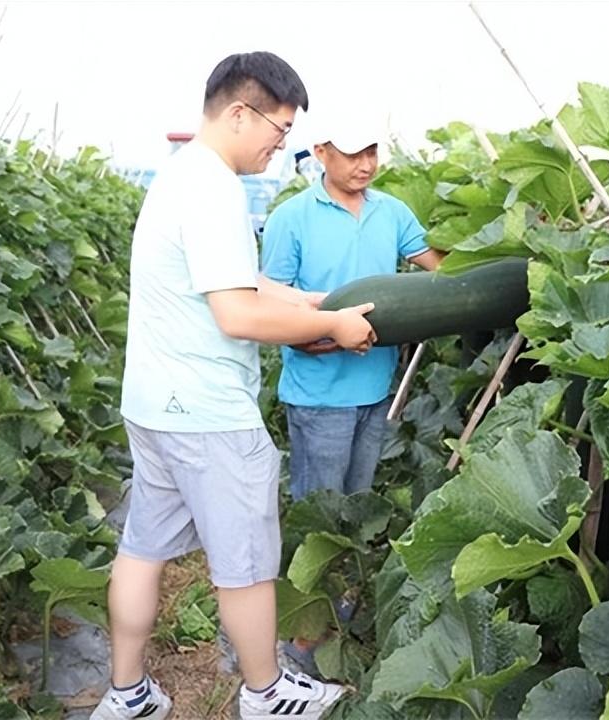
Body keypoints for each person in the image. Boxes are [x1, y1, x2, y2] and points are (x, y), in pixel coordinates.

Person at [91, 52, 374, 720]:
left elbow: (237, 281)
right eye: (278, 130)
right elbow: (237, 313)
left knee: (141, 549)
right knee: (245, 565)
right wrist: (333, 321)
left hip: (155, 407)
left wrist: (309, 300)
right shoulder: (215, 187)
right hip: (208, 415)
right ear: (240, 112)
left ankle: (127, 693)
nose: (281, 146)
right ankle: (265, 693)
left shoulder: (181, 175)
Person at [261, 116, 443, 503]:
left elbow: (443, 268)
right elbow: (270, 296)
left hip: (376, 385)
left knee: (357, 499)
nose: (365, 164)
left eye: (372, 152)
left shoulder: (393, 211)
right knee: (322, 506)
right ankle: (312, 561)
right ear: (321, 152)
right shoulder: (290, 218)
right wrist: (308, 334)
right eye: (353, 154)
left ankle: (346, 558)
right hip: (318, 393)